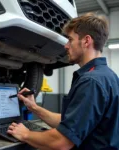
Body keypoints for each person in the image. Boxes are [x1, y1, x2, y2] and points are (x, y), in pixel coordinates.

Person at [7, 13, 119, 150]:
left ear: (86, 41)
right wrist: (34, 108)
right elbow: (71, 122)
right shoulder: (108, 76)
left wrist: (26, 134)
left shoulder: (91, 81)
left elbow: (62, 142)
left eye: (70, 40)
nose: (66, 46)